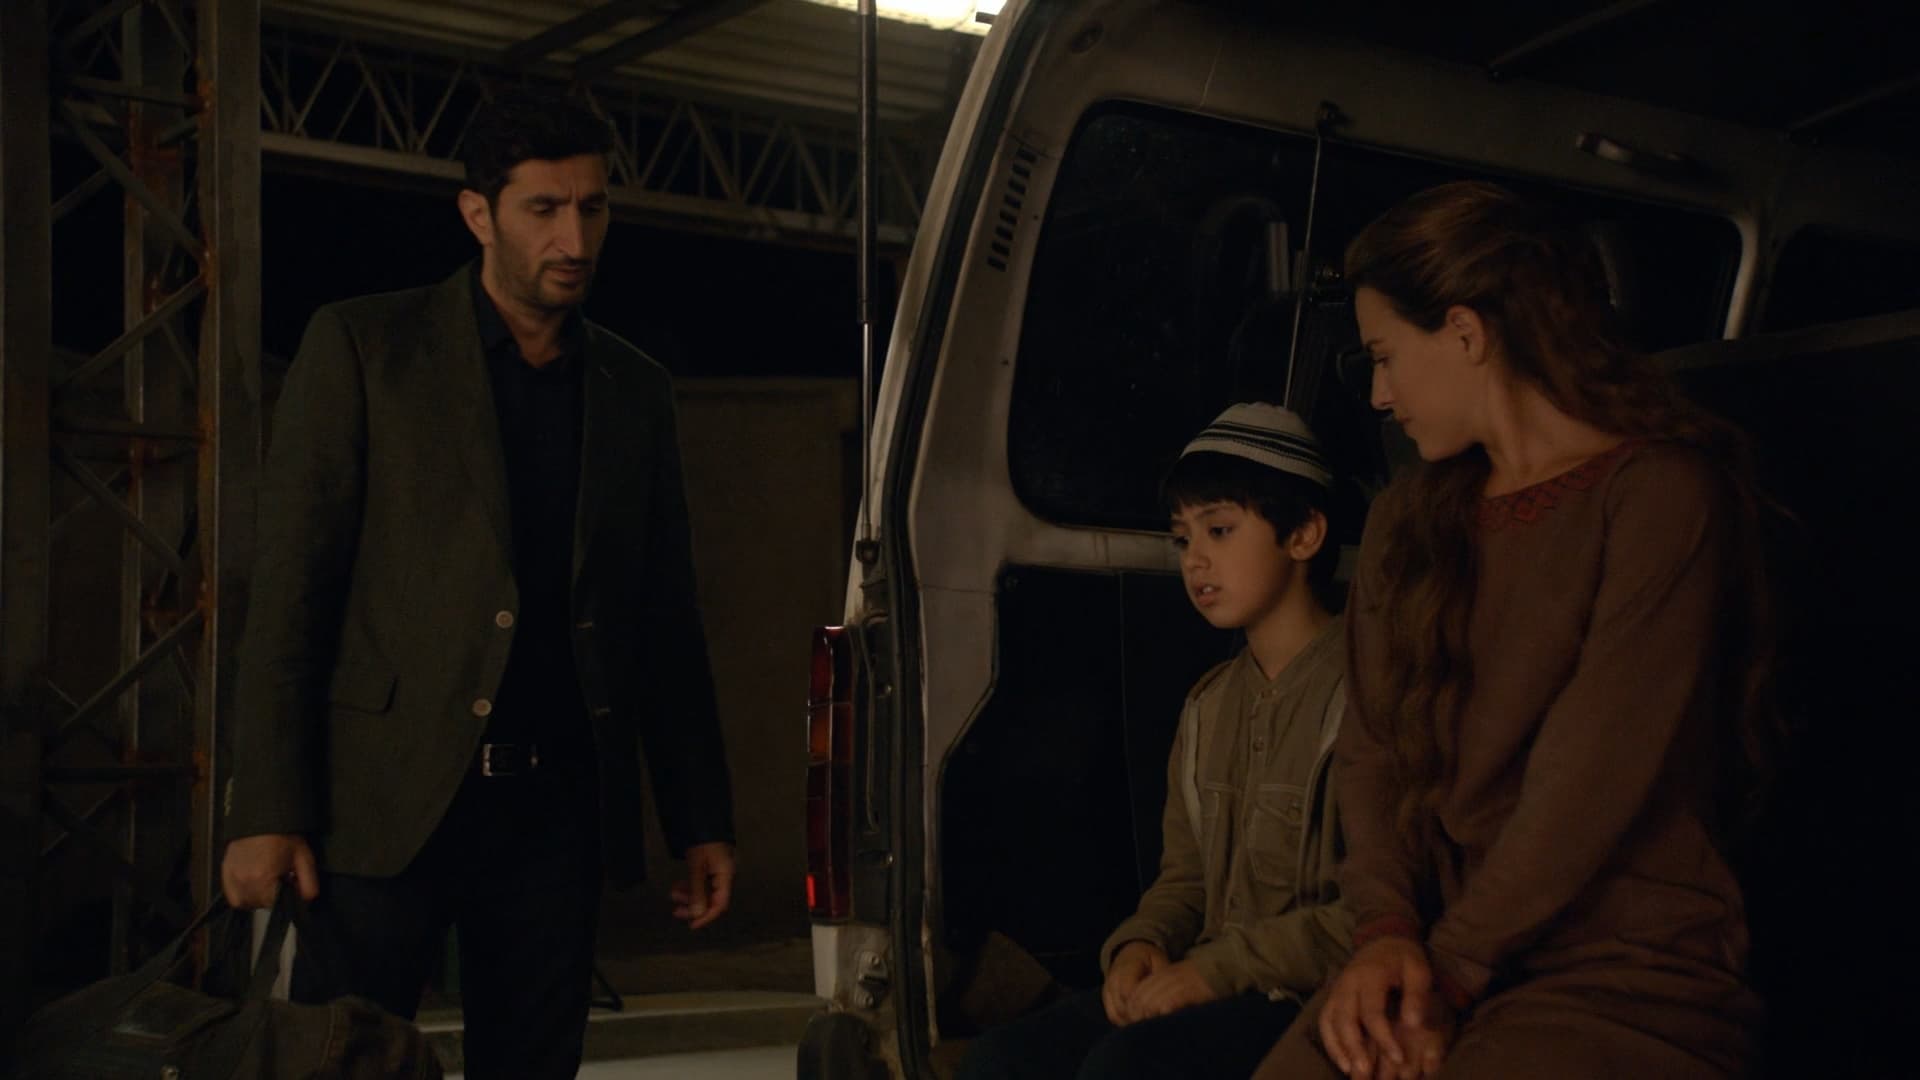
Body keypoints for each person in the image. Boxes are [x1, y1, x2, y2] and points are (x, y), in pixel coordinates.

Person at [218, 90, 736, 1078]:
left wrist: (699, 818)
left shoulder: (633, 390)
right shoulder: (366, 348)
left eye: (592, 207)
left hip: (554, 816)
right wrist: (267, 810)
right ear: (477, 214)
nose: (574, 238)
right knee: (343, 1062)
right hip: (382, 806)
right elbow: (291, 597)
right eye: (544, 208)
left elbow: (664, 620)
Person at [1255, 181, 1772, 1080]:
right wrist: (1385, 932)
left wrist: (1451, 972)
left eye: (1385, 357)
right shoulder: (1409, 519)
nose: (1378, 394)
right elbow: (1371, 753)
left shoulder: (1657, 496)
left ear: (1465, 332)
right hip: (1431, 950)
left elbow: (1591, 777)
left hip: (1622, 966)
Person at [957, 403, 1354, 1080]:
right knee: (1000, 1061)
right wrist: (1141, 945)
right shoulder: (1208, 706)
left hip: (1306, 994)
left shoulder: (1363, 691)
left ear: (1304, 533)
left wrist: (1214, 971)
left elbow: (1374, 909)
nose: (1195, 559)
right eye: (1182, 538)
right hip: (1206, 979)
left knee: (1126, 1068)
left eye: (1220, 530)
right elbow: (1186, 881)